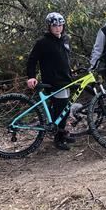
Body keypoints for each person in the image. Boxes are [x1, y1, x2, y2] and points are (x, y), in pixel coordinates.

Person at [26, 12, 75, 151]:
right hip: (54, 81)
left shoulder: (65, 39)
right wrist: (31, 76)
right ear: (49, 27)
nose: (58, 28)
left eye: (60, 25)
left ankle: (60, 132)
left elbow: (65, 60)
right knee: (63, 110)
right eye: (54, 26)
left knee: (60, 109)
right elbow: (32, 60)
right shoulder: (43, 42)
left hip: (66, 79)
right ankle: (58, 138)